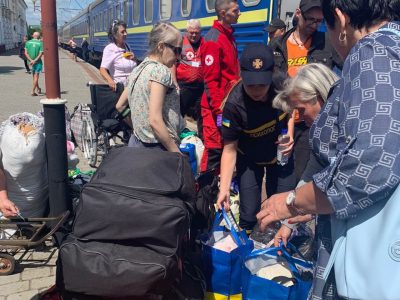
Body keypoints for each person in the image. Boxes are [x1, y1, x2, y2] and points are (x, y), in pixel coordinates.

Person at [257, 1, 399, 298]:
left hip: (368, 259)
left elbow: (369, 163)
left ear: (340, 18)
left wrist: (295, 202)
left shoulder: (373, 51)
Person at [272, 63, 339, 298]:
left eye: (301, 109)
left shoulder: (343, 131)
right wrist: (288, 224)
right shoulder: (321, 131)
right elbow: (311, 175)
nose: (298, 117)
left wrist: (289, 205)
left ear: (320, 97)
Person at [216, 44, 292, 231]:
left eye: (262, 85)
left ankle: (279, 248)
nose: (257, 91)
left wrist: (289, 132)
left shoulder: (282, 84)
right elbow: (229, 149)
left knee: (285, 207)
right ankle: (248, 247)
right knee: (249, 212)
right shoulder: (234, 105)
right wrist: (224, 188)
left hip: (279, 154)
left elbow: (292, 109)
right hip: (249, 158)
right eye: (251, 85)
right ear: (242, 76)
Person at [269, 0, 342, 191]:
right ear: (298, 13)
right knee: (278, 171)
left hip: (309, 121)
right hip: (283, 120)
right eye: (311, 19)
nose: (315, 25)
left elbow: (347, 68)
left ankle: (296, 212)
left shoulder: (325, 43)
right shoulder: (278, 45)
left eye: (319, 21)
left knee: (301, 174)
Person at [115, 22, 184, 153]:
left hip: (136, 143)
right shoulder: (160, 71)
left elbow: (120, 106)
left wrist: (139, 126)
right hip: (158, 149)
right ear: (161, 47)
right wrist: (176, 153)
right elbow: (155, 120)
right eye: (177, 50)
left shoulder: (138, 69)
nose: (178, 57)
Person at [200, 0, 241, 174]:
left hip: (226, 105)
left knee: (225, 146)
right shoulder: (213, 40)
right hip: (215, 109)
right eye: (236, 10)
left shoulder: (227, 35)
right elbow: (211, 82)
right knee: (214, 150)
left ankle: (220, 188)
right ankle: (203, 192)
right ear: (223, 14)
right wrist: (219, 114)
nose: (239, 13)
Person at [176, 19, 204, 126]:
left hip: (200, 86)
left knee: (201, 113)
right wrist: (174, 82)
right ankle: (176, 137)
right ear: (187, 31)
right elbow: (173, 63)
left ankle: (202, 138)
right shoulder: (180, 43)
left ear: (200, 32)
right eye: (191, 32)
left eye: (196, 33)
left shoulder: (204, 42)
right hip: (185, 86)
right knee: (179, 111)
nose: (194, 35)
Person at [100, 20, 137, 91]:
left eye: (126, 31)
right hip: (120, 88)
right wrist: (110, 81)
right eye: (122, 32)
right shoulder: (110, 49)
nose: (126, 34)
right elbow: (102, 70)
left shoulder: (127, 46)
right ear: (115, 34)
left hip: (132, 87)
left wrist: (134, 58)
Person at [25, 32, 43, 97]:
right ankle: (33, 91)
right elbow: (40, 54)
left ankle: (38, 88)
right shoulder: (40, 43)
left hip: (30, 62)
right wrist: (35, 60)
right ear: (39, 36)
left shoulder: (27, 42)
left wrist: (31, 60)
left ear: (33, 36)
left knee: (34, 77)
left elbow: (26, 53)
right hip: (37, 62)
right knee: (36, 77)